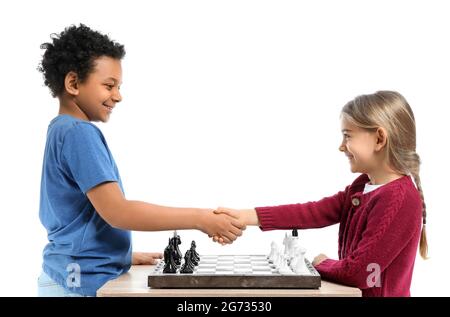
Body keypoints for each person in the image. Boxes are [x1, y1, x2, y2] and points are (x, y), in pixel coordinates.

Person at [37, 24, 245, 297]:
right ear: (73, 83)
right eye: (109, 85)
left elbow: (72, 215)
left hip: (70, 271)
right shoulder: (79, 133)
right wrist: (200, 219)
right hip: (79, 281)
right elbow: (117, 212)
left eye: (119, 86)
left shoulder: (61, 129)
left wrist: (115, 255)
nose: (118, 95)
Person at [214, 91, 428, 297]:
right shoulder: (362, 185)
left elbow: (360, 272)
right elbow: (313, 212)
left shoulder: (399, 200)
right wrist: (245, 216)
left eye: (347, 136)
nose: (341, 146)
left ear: (379, 139)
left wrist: (321, 263)